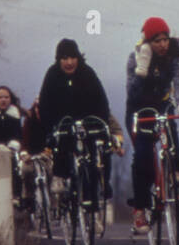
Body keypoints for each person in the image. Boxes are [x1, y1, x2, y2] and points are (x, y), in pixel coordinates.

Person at [125, 17, 179, 235]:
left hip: (162, 104)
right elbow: (132, 93)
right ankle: (140, 209)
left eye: (165, 39)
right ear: (148, 43)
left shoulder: (173, 57)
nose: (163, 45)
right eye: (157, 41)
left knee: (171, 126)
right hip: (139, 109)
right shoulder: (135, 57)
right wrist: (142, 70)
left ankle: (176, 168)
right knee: (143, 156)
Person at [37, 38, 123, 209]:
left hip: (87, 121)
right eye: (64, 58)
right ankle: (61, 179)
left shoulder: (87, 73)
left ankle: (92, 196)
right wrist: (50, 130)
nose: (69, 62)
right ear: (58, 60)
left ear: (78, 57)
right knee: (62, 145)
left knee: (92, 156)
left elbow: (102, 101)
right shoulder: (52, 74)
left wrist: (101, 124)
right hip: (62, 122)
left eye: (72, 57)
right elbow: (45, 105)